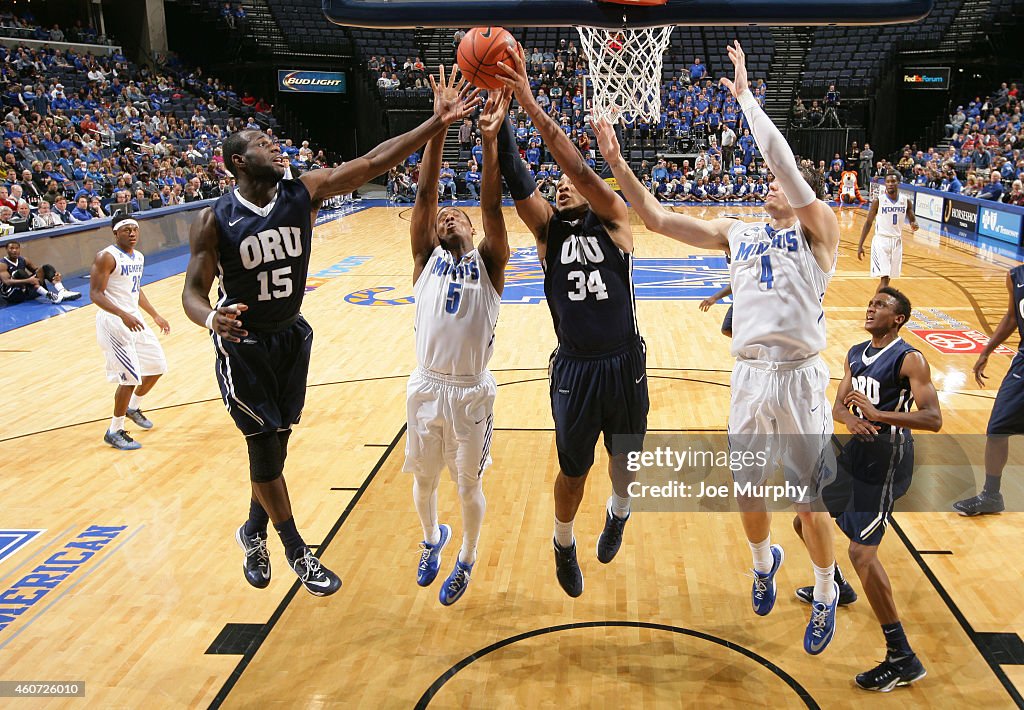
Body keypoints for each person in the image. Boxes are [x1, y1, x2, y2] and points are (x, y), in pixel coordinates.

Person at [181, 66, 479, 597]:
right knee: (264, 449)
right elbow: (192, 292)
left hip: (291, 337)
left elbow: (372, 162)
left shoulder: (304, 192)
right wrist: (210, 318)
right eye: (262, 144)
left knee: (277, 443)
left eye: (274, 141)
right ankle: (296, 550)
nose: (275, 148)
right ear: (235, 162)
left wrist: (435, 124)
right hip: (243, 344)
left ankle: (252, 528)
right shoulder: (213, 220)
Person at [596, 41, 842, 654]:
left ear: (802, 192)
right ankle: (764, 564)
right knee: (748, 491)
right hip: (751, 377)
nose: (772, 184)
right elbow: (653, 219)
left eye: (784, 183)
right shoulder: (737, 233)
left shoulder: (820, 234)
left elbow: (783, 161)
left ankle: (826, 589)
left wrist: (745, 98)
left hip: (800, 376)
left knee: (810, 502)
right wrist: (619, 164)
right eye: (769, 182)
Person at [495, 47, 649, 599]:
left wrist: (531, 103)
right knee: (574, 470)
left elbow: (579, 168)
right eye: (554, 186)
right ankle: (563, 543)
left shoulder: (614, 220)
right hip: (577, 369)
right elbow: (517, 179)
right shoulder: (547, 235)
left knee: (626, 463)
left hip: (624, 358)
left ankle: (620, 511)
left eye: (566, 185)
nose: (560, 188)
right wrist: (502, 119)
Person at [794, 288, 940, 691]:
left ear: (898, 319)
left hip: (888, 462)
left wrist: (879, 415)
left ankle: (902, 657)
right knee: (806, 519)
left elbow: (933, 418)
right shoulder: (856, 352)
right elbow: (839, 405)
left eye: (881, 306)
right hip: (857, 454)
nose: (871, 308)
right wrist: (848, 419)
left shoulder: (911, 358)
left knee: (862, 552)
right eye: (871, 303)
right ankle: (837, 587)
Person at [406, 89, 511, 606]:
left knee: (467, 486)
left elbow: (491, 205)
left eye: (456, 216)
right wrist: (438, 124)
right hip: (425, 386)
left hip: (470, 393)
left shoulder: (490, 263)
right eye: (444, 215)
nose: (446, 216)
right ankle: (432, 540)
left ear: (471, 229)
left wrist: (490, 144)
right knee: (423, 481)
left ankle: (466, 557)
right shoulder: (426, 258)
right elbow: (425, 195)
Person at [89, 217, 170, 451]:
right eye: (126, 230)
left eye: (135, 229)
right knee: (130, 377)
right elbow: (95, 294)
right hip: (114, 322)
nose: (132, 233)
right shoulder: (106, 256)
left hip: (135, 318)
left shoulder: (139, 257)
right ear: (116, 233)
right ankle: (114, 430)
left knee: (157, 366)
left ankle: (133, 407)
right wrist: (123, 314)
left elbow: (135, 288)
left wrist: (155, 314)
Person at [953, 263, 1024, 516]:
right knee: (997, 428)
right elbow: (1012, 317)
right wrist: (986, 350)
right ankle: (991, 495)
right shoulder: (1016, 276)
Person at [857, 173, 918, 291]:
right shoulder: (878, 201)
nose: (890, 184)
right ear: (885, 183)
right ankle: (875, 305)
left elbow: (912, 218)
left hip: (897, 241)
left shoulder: (906, 201)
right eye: (888, 182)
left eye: (893, 181)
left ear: (898, 183)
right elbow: (868, 223)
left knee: (888, 278)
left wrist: (914, 224)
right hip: (881, 241)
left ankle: (877, 305)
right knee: (884, 279)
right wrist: (860, 245)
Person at [0, 240, 80, 304]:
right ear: (6, 249)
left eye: (16, 248)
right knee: (19, 273)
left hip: (27, 290)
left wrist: (55, 275)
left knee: (46, 267)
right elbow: (7, 282)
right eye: (11, 248)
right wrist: (29, 280)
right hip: (12, 294)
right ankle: (48, 295)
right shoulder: (2, 264)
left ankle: (62, 291)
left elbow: (38, 271)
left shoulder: (24, 260)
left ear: (19, 249)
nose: (14, 250)